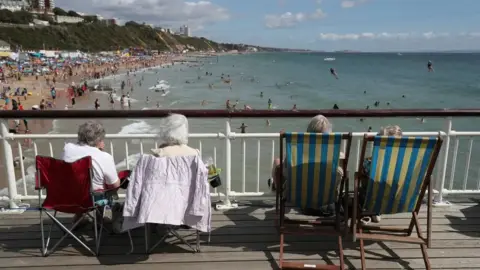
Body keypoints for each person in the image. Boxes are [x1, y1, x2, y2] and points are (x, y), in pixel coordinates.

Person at [268, 115, 344, 216]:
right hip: (326, 198)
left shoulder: (296, 153)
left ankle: (276, 188)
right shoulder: (336, 155)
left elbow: (286, 172)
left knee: (278, 162)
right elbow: (341, 176)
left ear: (308, 131)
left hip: (300, 198)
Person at [62, 121, 120, 222]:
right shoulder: (104, 157)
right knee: (110, 186)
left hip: (65, 198)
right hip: (90, 200)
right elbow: (114, 185)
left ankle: (78, 219)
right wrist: (100, 151)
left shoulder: (67, 148)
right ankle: (102, 219)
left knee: (79, 185)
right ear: (99, 140)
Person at [360, 125, 403, 223]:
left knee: (365, 182)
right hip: (398, 202)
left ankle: (372, 211)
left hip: (372, 201)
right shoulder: (404, 165)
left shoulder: (370, 163)